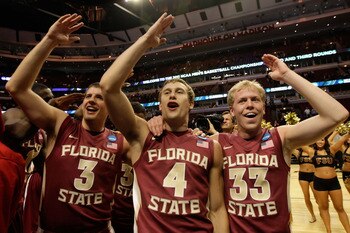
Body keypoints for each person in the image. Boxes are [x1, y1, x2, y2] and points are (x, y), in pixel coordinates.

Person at [146, 54, 349, 232]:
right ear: (232, 111)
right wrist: (159, 121)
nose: (249, 104)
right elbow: (179, 145)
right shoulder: (216, 143)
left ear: (263, 108)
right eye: (242, 101)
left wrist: (287, 75)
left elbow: (337, 114)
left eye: (255, 100)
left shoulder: (281, 137)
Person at [100, 13, 229, 233]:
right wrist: (146, 41)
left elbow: (216, 209)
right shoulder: (143, 135)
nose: (172, 95)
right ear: (160, 105)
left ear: (190, 103)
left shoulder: (211, 147)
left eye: (179, 92)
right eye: (166, 92)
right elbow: (108, 87)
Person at [6, 14, 129, 232]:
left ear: (110, 105)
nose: (91, 100)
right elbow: (16, 87)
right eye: (88, 97)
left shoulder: (119, 141)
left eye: (99, 97)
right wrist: (49, 41)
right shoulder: (61, 125)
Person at [111, 101, 146, 233]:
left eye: (138, 121)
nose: (133, 126)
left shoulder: (153, 142)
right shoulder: (112, 139)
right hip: (114, 214)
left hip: (139, 215)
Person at [311, 137, 350, 233]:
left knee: (340, 208)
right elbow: (300, 141)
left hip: (333, 182)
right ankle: (329, 231)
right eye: (318, 139)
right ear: (314, 141)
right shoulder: (311, 151)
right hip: (319, 183)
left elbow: (341, 140)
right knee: (324, 207)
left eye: (322, 139)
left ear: (326, 141)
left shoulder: (331, 150)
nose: (320, 141)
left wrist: (348, 131)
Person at [292, 145, 317, 223]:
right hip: (303, 176)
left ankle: (323, 212)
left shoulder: (314, 151)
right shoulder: (298, 152)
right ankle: (312, 215)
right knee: (307, 197)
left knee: (317, 197)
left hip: (313, 175)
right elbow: (289, 145)